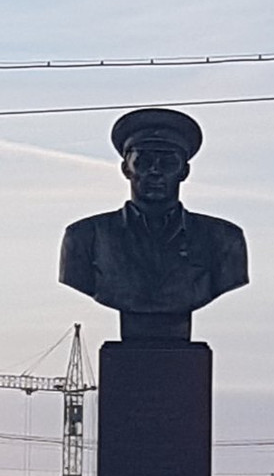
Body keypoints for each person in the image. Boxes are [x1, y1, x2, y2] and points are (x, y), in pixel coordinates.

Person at [59, 108, 248, 340]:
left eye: (168, 163)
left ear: (184, 171)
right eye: (144, 162)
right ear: (126, 168)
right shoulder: (85, 237)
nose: (155, 172)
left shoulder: (224, 239)